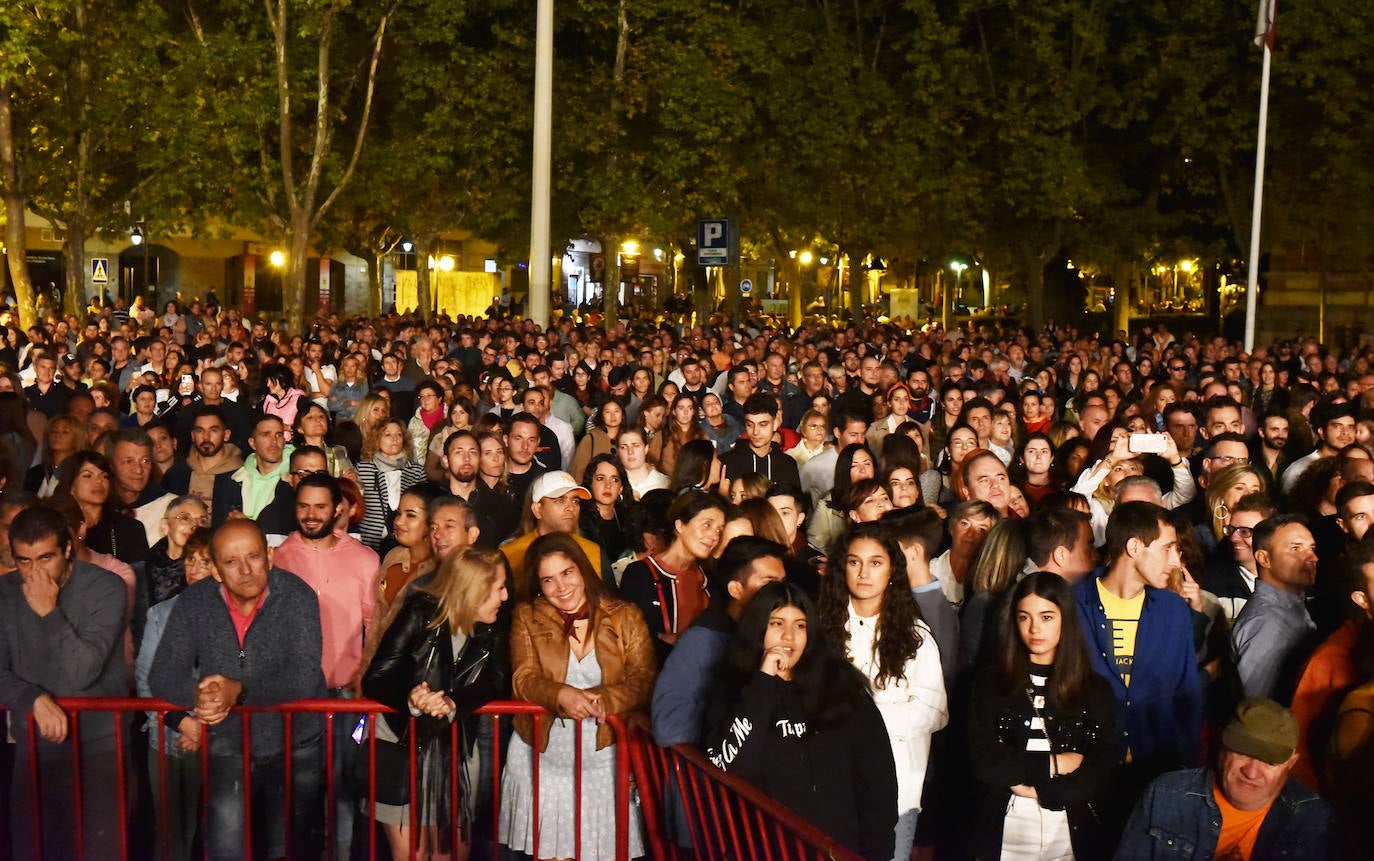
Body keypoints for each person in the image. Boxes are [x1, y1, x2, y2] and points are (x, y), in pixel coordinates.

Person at [148, 519, 326, 861]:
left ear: (270, 557)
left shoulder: (298, 596)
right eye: (231, 562)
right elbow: (163, 675)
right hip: (230, 740)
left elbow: (303, 676)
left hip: (296, 740)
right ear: (214, 569)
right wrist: (201, 696)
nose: (245, 570)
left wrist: (238, 691)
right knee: (226, 845)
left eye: (254, 557)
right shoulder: (195, 602)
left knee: (291, 846)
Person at [703, 581, 898, 861]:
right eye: (777, 624)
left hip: (839, 850)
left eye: (800, 626)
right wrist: (763, 683)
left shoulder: (840, 685)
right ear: (758, 629)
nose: (788, 637)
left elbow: (878, 778)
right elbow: (727, 764)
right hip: (766, 850)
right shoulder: (734, 687)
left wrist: (878, 852)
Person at [499, 533, 655, 859]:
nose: (561, 587)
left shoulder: (625, 615)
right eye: (548, 580)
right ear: (538, 585)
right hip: (542, 757)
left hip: (606, 757)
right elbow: (523, 679)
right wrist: (560, 694)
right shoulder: (527, 616)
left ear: (582, 569)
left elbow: (644, 679)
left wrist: (605, 699)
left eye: (567, 573)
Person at [361, 547, 510, 861]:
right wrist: (412, 697)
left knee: (449, 853)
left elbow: (497, 680)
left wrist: (452, 703)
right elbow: (377, 676)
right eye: (499, 588)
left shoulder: (492, 627)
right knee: (411, 855)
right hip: (401, 745)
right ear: (475, 592)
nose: (506, 595)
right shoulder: (419, 612)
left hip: (454, 749)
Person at [0, 505, 130, 861]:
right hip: (34, 747)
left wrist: (48, 612)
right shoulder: (6, 592)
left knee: (99, 851)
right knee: (36, 849)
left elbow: (82, 671)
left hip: (100, 746)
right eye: (24, 561)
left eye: (45, 558)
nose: (34, 572)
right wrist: (33, 698)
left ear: (68, 549)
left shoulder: (106, 587)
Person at [969, 571, 1118, 861]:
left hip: (1069, 825)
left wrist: (1038, 785)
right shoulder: (991, 683)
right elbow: (985, 760)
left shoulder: (1094, 690)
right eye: (1024, 617)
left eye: (1046, 617)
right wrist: (1056, 762)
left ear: (1065, 619)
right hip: (1006, 824)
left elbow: (1102, 768)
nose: (1035, 628)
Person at [820, 523, 947, 860]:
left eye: (875, 562)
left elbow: (934, 710)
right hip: (833, 786)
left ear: (892, 570)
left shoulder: (914, 635)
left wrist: (866, 718)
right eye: (854, 562)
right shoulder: (822, 629)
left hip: (898, 787)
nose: (864, 573)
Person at [1074, 501, 1203, 826]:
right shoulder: (1071, 604)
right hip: (1087, 772)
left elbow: (1188, 695)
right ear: (1134, 546)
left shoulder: (1174, 611)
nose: (1176, 561)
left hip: (1157, 773)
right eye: (1168, 548)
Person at [1116, 698, 1335, 860]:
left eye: (1269, 761)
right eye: (1243, 752)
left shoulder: (1312, 818)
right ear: (1221, 747)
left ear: (1291, 763)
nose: (1251, 771)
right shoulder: (1165, 795)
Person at [651, 536, 788, 746]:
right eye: (769, 583)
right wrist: (728, 728)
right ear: (735, 589)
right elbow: (668, 728)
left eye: (782, 583)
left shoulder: (774, 635)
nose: (781, 594)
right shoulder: (702, 641)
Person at [134, 527, 215, 861]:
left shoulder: (240, 615)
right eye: (190, 560)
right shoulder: (161, 614)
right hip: (167, 737)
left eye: (205, 561)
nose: (194, 569)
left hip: (220, 739)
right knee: (170, 833)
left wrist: (203, 727)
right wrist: (182, 723)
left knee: (215, 830)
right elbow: (145, 678)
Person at [619, 489, 726, 665]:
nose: (714, 536)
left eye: (719, 530)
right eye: (707, 525)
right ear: (680, 525)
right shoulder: (640, 573)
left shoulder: (709, 580)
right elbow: (631, 638)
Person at [1231, 514, 1320, 703]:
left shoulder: (1291, 607)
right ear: (1264, 558)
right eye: (1295, 548)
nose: (1312, 557)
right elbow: (1259, 709)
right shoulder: (1266, 623)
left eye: (1312, 548)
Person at [354, 417, 428, 552]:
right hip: (369, 543)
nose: (394, 439)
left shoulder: (415, 471)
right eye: (387, 434)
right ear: (377, 439)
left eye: (399, 435)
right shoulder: (364, 468)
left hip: (405, 545)